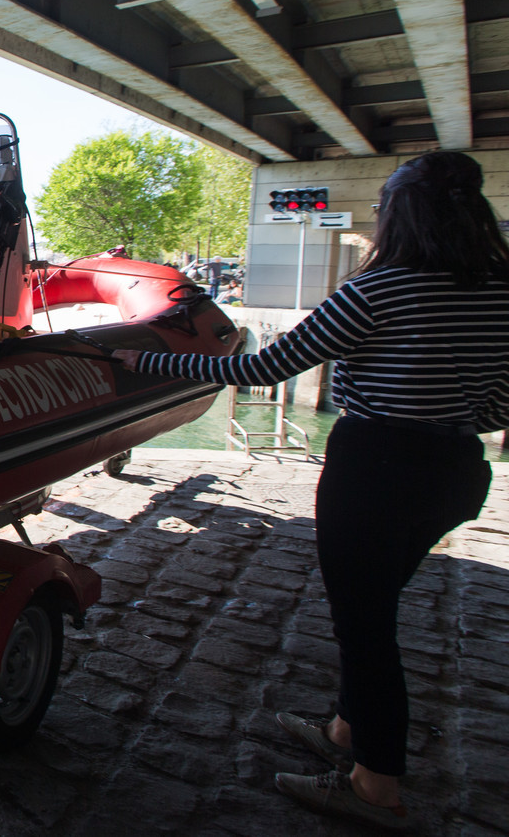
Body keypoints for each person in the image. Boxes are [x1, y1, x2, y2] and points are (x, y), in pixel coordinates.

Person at [111, 152, 508, 829]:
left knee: (366, 628)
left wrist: (144, 359)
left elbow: (265, 365)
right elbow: (499, 410)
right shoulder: (499, 292)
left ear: (400, 219)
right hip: (456, 473)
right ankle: (348, 731)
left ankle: (376, 786)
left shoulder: (381, 291)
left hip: (377, 468)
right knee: (375, 604)